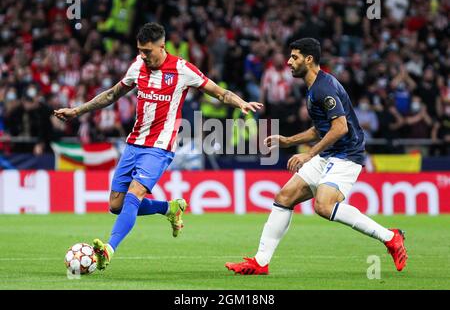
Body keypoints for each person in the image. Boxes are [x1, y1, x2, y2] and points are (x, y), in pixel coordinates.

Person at [54, 22, 262, 271]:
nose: (143, 55)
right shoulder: (137, 66)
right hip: (133, 144)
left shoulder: (182, 69)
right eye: (140, 50)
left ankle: (108, 250)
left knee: (134, 194)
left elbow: (218, 93)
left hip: (159, 147)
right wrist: (77, 110)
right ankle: (169, 208)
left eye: (147, 51)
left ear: (162, 46)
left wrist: (240, 103)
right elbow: (111, 95)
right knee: (115, 205)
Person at [225, 38, 408, 275]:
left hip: (346, 155)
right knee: (284, 197)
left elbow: (340, 127)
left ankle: (390, 237)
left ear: (309, 59)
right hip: (330, 154)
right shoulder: (314, 87)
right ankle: (260, 262)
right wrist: (289, 141)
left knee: (323, 205)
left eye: (294, 57)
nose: (289, 62)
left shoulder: (324, 88)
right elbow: (320, 128)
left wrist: (309, 154)